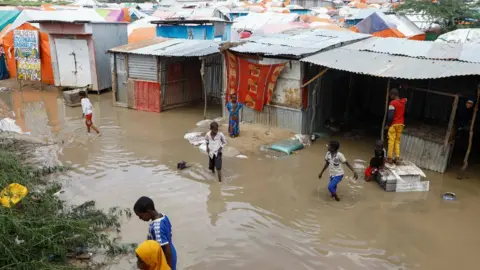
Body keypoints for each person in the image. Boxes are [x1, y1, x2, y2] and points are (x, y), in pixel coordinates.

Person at [134, 196, 177, 270]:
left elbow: (166, 250)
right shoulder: (163, 216)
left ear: (148, 211)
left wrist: (168, 267)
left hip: (166, 258)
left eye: (141, 216)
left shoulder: (157, 228)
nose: (140, 218)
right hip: (172, 251)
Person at [385, 88, 407, 164]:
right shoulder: (403, 103)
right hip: (401, 124)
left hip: (394, 124)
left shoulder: (392, 103)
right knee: (397, 141)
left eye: (390, 95)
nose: (390, 97)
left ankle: (389, 158)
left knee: (391, 141)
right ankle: (397, 158)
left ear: (393, 95)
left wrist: (388, 125)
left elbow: (390, 116)